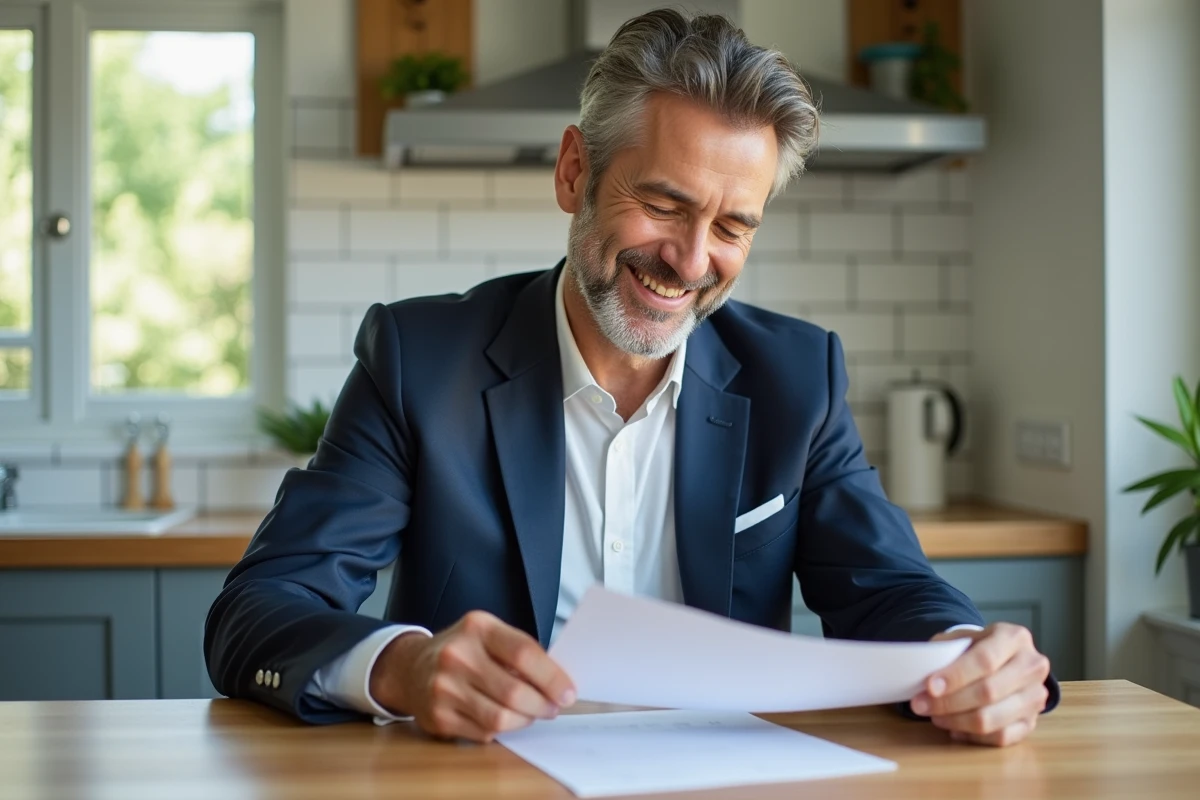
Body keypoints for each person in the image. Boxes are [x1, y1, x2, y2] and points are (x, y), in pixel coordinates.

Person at [205, 9, 1054, 748]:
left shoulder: (799, 377)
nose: (690, 261)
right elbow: (260, 610)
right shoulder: (420, 360)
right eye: (665, 205)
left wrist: (972, 653)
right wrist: (400, 666)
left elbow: (890, 590)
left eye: (732, 225)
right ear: (576, 172)